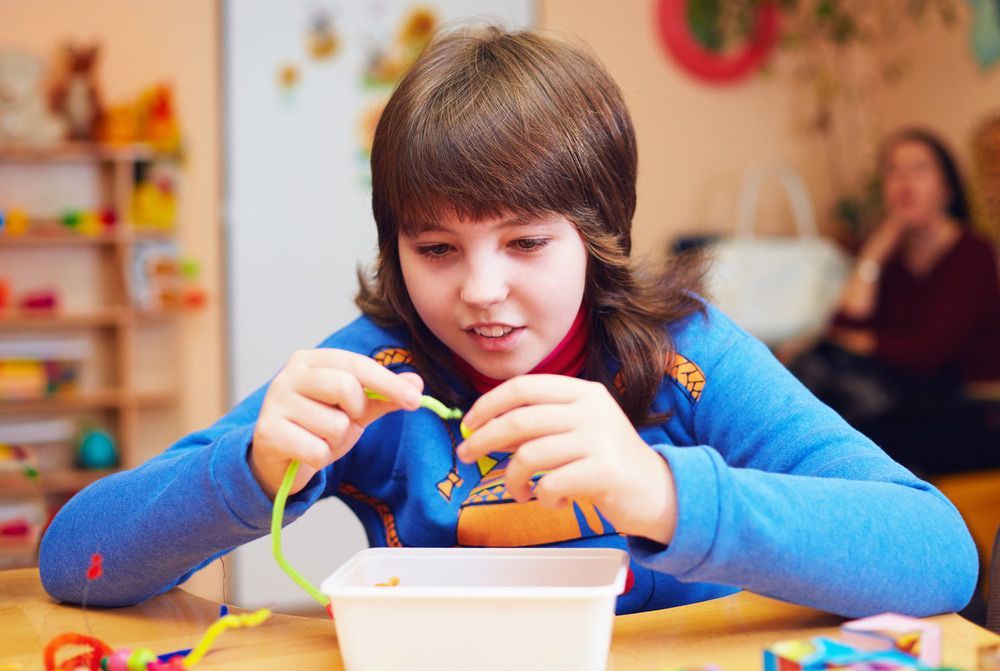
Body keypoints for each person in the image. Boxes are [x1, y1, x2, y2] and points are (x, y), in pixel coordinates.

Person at [39, 28, 976, 618]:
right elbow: (73, 563)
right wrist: (241, 472)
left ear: (599, 230)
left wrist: (661, 493)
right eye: (436, 249)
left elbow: (938, 557)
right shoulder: (374, 372)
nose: (481, 291)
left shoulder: (687, 350)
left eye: (526, 242)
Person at [788, 128, 1000, 476]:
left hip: (971, 406)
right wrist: (875, 251)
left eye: (919, 169)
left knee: (845, 432)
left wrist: (864, 343)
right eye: (893, 171)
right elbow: (843, 328)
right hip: (908, 400)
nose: (905, 182)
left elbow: (930, 351)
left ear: (946, 187)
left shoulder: (971, 252)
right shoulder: (890, 257)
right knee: (824, 376)